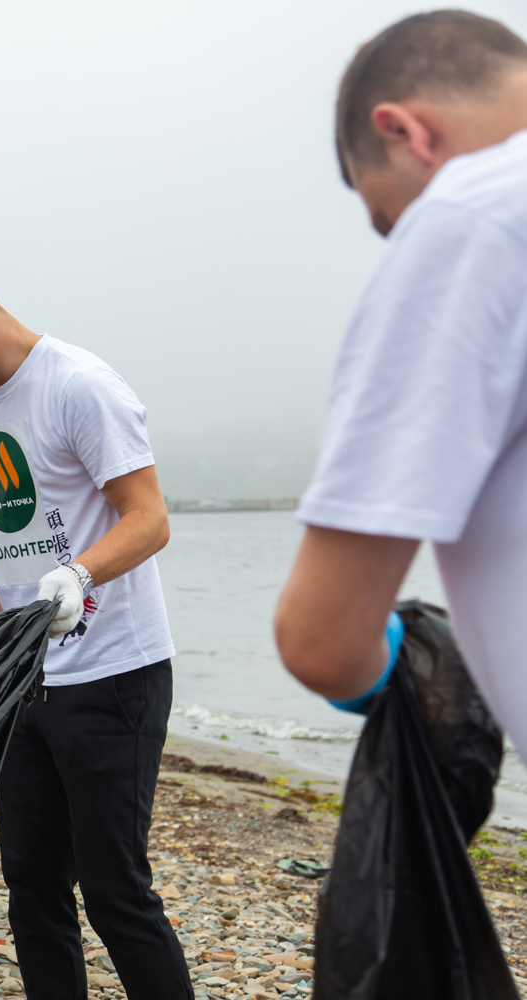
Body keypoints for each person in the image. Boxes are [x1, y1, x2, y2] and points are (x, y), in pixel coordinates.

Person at [0, 244, 187, 1000]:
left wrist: (78, 574)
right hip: (24, 686)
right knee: (32, 887)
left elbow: (149, 519)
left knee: (116, 890)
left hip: (115, 673)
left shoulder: (78, 387)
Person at [276, 13, 527, 745]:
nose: (403, 234)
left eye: (392, 217)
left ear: (405, 133)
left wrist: (394, 671)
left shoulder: (471, 214)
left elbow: (320, 638)